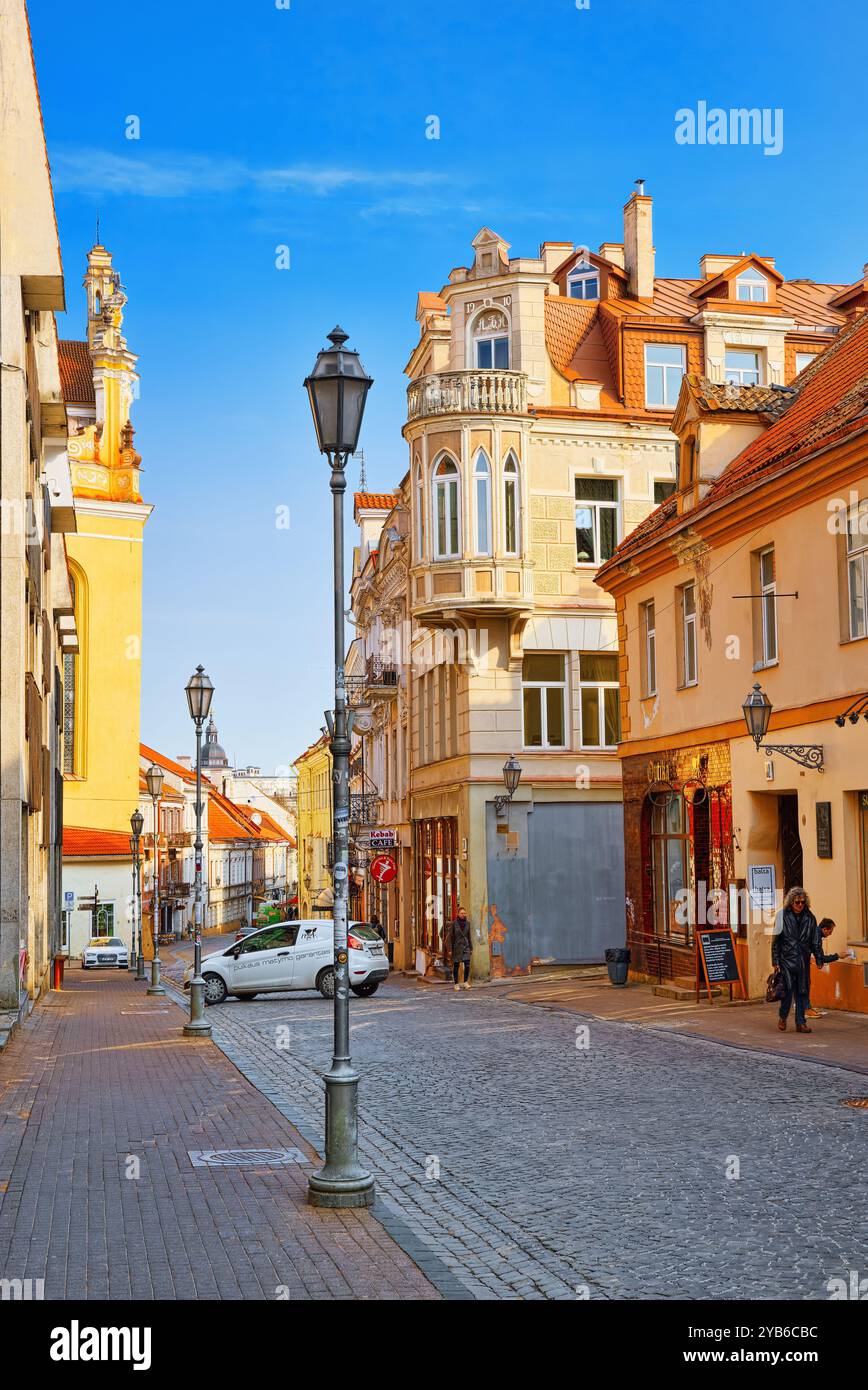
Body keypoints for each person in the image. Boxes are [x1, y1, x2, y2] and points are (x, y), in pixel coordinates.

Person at [772, 886, 824, 1034]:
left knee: (802, 992)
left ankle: (801, 1023)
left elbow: (815, 941)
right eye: (797, 902)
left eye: (802, 902)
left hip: (802, 960)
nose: (800, 905)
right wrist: (775, 961)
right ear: (791, 902)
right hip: (786, 960)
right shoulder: (782, 916)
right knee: (787, 992)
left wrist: (819, 958)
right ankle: (783, 1016)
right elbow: (776, 941)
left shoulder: (810, 918)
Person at [805, 918, 841, 1019]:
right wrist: (837, 956)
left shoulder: (815, 933)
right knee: (804, 984)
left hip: (799, 960)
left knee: (804, 983)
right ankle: (806, 1009)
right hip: (799, 961)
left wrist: (819, 961)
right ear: (825, 929)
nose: (831, 934)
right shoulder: (816, 935)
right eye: (830, 931)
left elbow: (817, 952)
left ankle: (805, 1008)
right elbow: (819, 954)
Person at [444, 906, 473, 991]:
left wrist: (471, 948)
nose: (463, 915)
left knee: (467, 964)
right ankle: (456, 984)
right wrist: (449, 950)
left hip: (466, 947)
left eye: (464, 913)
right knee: (456, 966)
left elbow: (469, 936)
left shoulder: (468, 923)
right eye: (462, 913)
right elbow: (448, 938)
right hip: (456, 948)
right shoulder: (454, 924)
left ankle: (465, 982)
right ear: (458, 914)